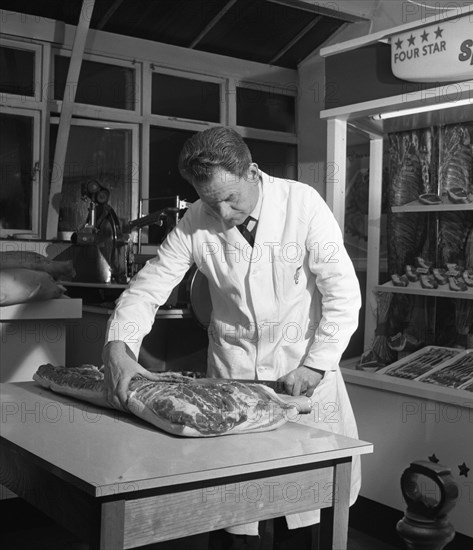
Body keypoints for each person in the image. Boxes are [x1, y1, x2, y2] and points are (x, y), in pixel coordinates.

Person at [102, 126, 362, 550]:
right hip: (234, 385)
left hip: (305, 381)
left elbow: (343, 294)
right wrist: (118, 347)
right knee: (235, 520)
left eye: (231, 198)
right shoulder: (195, 222)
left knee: (305, 521)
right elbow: (148, 289)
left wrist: (317, 364)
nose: (222, 213)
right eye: (209, 201)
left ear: (252, 173)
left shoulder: (301, 204)